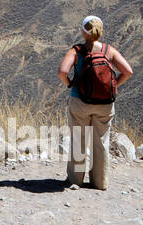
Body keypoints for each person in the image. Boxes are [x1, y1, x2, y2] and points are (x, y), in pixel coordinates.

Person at [57, 15, 133, 190]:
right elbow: (128, 71)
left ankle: (75, 180)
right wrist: (114, 84)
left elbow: (62, 71)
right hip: (105, 104)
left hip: (80, 102)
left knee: (78, 139)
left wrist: (70, 84)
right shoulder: (109, 51)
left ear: (84, 32)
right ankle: (100, 182)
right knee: (101, 141)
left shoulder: (76, 51)